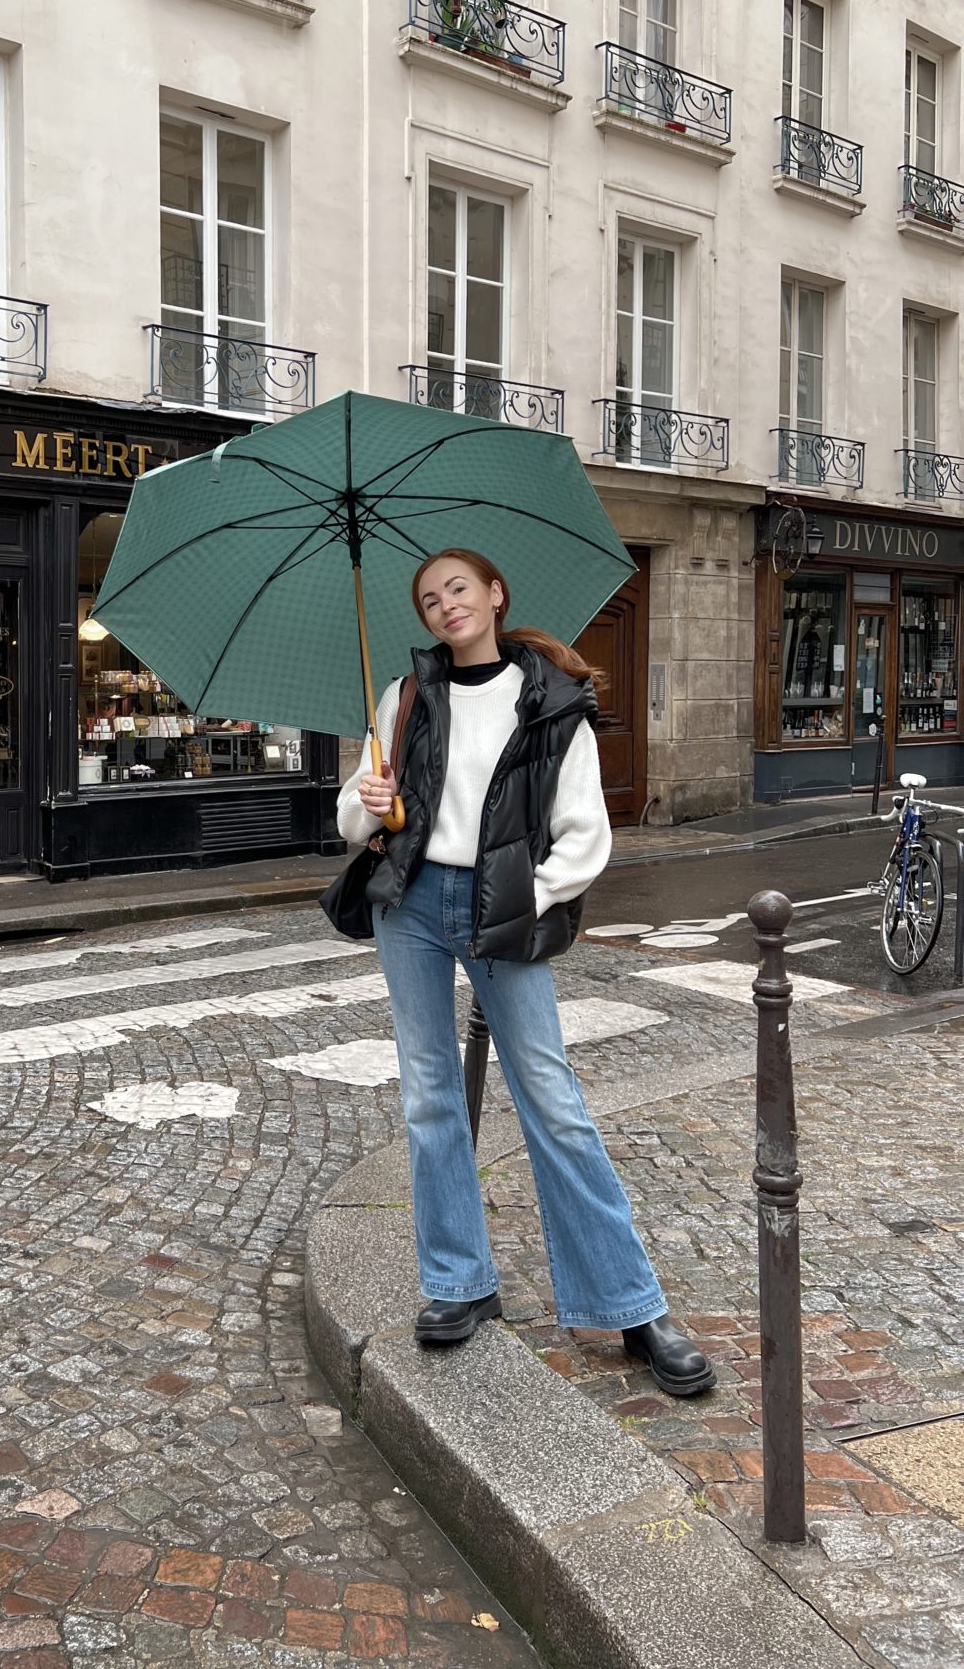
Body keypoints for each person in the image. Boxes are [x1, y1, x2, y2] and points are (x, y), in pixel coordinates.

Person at [336, 549, 713, 1397]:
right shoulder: (404, 699)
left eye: (458, 589)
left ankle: (632, 1304)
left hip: (502, 905)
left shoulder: (548, 700)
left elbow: (585, 835)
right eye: (430, 599)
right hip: (412, 903)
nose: (445, 607)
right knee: (430, 1095)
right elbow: (351, 826)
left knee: (552, 1098)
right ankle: (459, 1283)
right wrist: (368, 797)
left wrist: (526, 898)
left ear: (496, 594)